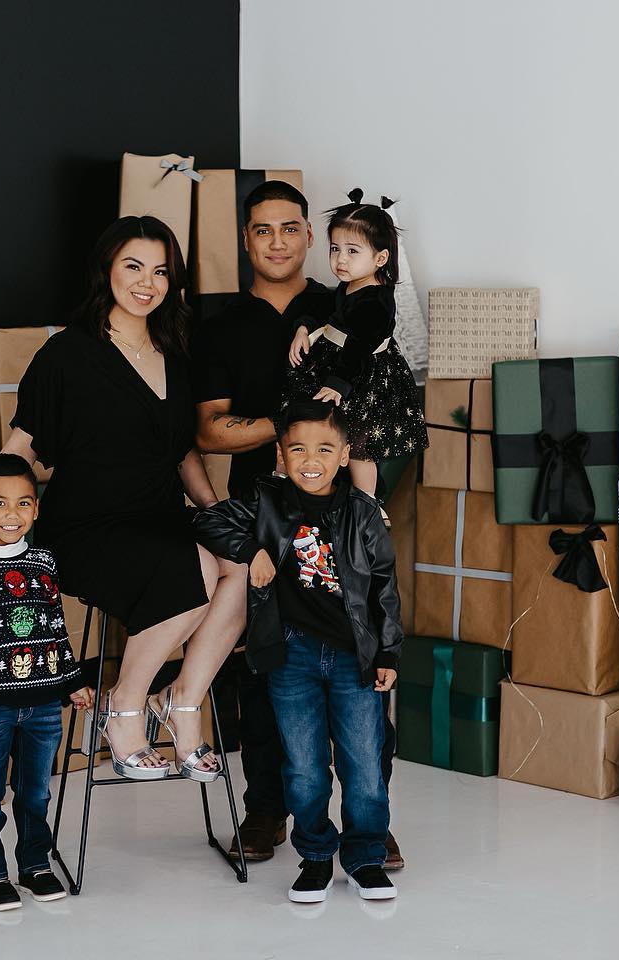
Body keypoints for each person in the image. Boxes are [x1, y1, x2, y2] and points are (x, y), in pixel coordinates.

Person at [0, 215, 246, 785]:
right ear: (106, 272)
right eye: (133, 267)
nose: (148, 283)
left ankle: (184, 699)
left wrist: (215, 515)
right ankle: (125, 706)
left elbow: (182, 452)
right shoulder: (68, 354)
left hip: (160, 516)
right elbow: (23, 448)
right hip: (88, 526)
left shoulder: (175, 351)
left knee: (241, 565)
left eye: (161, 271)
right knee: (195, 572)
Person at [194, 181, 404, 869]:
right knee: (265, 665)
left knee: (360, 651)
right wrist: (292, 435)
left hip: (342, 519)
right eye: (263, 230)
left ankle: (369, 815)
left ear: (313, 240)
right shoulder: (220, 324)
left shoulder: (343, 298)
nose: (278, 240)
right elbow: (211, 432)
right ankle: (266, 807)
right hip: (263, 512)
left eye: (291, 227)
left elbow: (374, 400)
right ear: (246, 240)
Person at [194, 400, 401, 903]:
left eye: (325, 449)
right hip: (292, 657)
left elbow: (384, 589)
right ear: (280, 457)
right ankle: (315, 859)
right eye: (298, 449)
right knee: (304, 767)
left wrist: (389, 653)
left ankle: (366, 858)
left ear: (345, 455)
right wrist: (252, 551)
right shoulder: (265, 502)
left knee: (364, 766)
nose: (311, 459)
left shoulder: (363, 512)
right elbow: (206, 522)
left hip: (355, 657)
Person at [0, 454, 95, 911]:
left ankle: (34, 866)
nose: (11, 515)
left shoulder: (43, 562)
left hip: (44, 704)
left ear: (35, 510)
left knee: (35, 791)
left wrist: (71, 681)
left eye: (23, 504)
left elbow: (55, 626)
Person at [283, 188, 428, 501]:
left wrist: (338, 384)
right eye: (335, 249)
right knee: (322, 432)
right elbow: (322, 312)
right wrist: (303, 328)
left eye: (352, 251)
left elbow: (360, 348)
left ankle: (368, 501)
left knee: (360, 446)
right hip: (340, 368)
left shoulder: (377, 301)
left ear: (380, 258)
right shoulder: (347, 286)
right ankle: (305, 487)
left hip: (363, 378)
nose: (340, 259)